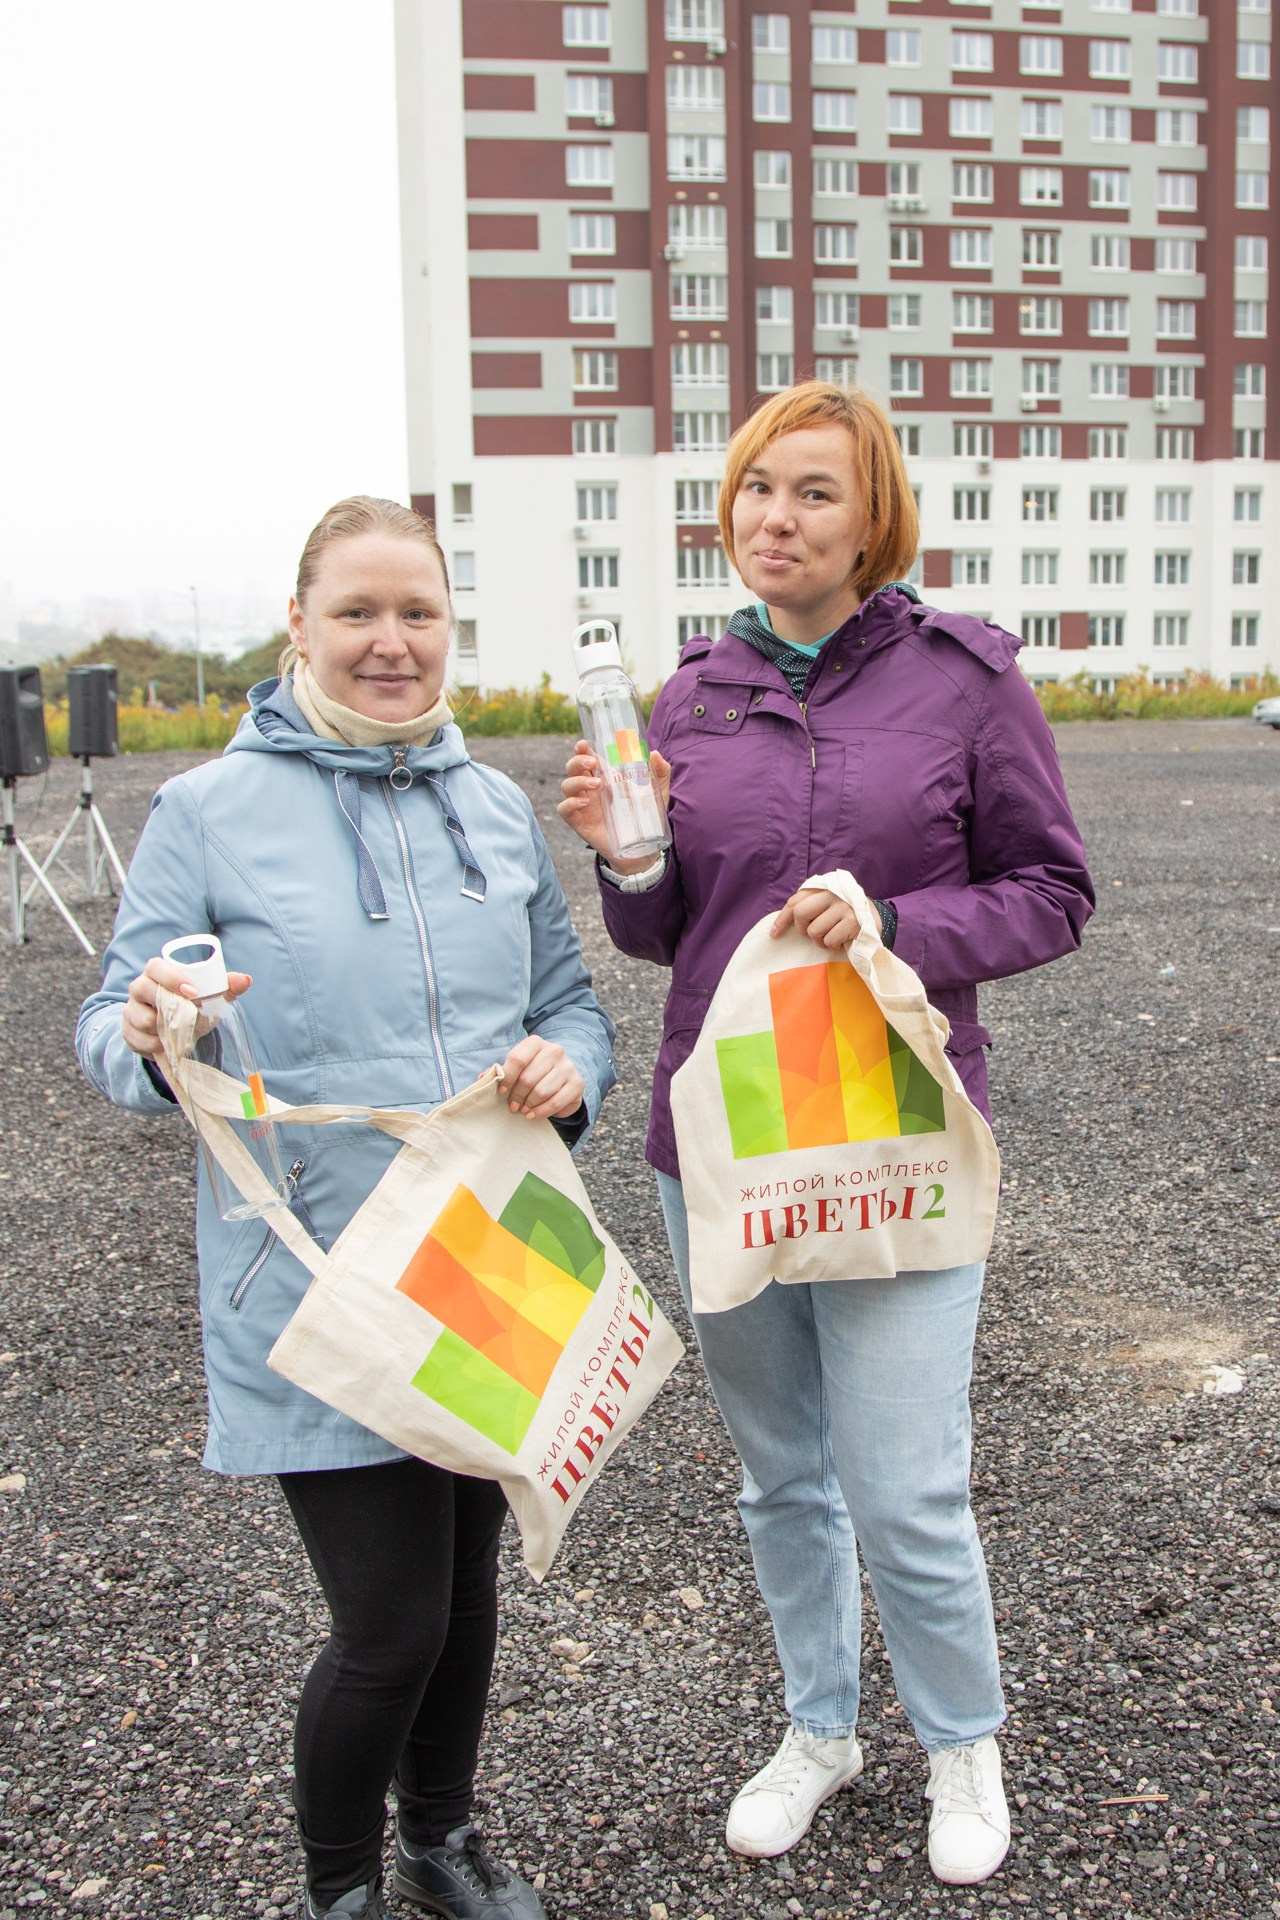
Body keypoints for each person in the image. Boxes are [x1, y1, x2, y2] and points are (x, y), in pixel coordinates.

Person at [559, 383, 1094, 1887]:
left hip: (895, 1134)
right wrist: (624, 861)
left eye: (812, 493)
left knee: (906, 1482)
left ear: (874, 524)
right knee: (780, 1474)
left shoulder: (965, 682)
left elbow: (1053, 894)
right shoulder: (687, 697)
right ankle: (821, 1728)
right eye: (754, 489)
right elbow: (667, 933)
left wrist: (898, 924)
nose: (775, 519)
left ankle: (962, 1744)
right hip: (726, 1141)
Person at [77, 496, 616, 1920]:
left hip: (486, 1257)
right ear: (299, 626)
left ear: (450, 626)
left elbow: (569, 1003)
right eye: (358, 612)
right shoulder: (206, 809)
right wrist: (150, 1028)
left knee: (469, 1591)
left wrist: (571, 1066)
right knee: (391, 1623)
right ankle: (340, 1890)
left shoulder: (492, 807)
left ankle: (439, 1842)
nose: (391, 641)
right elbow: (107, 1031)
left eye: (418, 612)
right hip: (319, 1266)